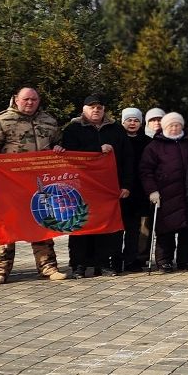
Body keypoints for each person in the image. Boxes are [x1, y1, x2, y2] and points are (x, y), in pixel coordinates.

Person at [0, 87, 67, 283]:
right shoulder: (3, 120)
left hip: (40, 184)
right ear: (16, 100)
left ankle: (48, 267)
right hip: (11, 183)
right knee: (7, 225)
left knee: (42, 223)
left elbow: (58, 144)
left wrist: (60, 149)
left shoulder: (49, 121)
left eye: (34, 99)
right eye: (26, 99)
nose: (30, 103)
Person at [61, 96, 132, 277]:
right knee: (79, 225)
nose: (96, 110)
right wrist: (97, 149)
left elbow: (127, 158)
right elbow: (69, 154)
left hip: (108, 188)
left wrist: (126, 184)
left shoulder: (116, 129)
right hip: (80, 187)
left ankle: (104, 263)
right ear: (83, 109)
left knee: (107, 227)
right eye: (91, 107)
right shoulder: (72, 129)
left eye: (99, 107)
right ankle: (79, 265)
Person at [138, 113, 188, 271]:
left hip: (186, 194)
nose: (174, 128)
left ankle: (185, 260)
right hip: (164, 194)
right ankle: (164, 260)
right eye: (171, 125)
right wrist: (152, 191)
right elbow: (146, 171)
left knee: (187, 229)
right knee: (165, 229)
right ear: (164, 127)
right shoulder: (154, 146)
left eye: (177, 125)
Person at [119, 106, 151, 272]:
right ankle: (115, 260)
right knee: (118, 229)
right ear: (123, 122)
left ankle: (132, 260)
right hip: (120, 190)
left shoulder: (147, 142)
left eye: (136, 120)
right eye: (129, 120)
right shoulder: (116, 139)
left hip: (140, 191)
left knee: (135, 230)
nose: (132, 123)